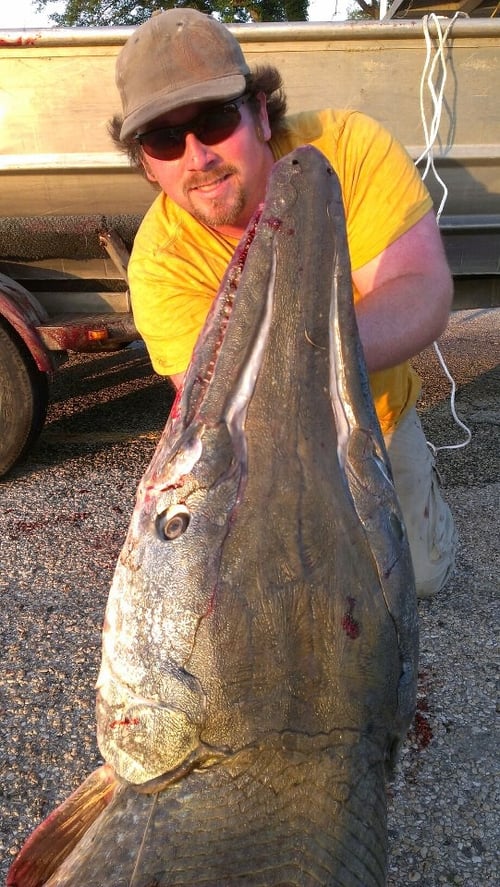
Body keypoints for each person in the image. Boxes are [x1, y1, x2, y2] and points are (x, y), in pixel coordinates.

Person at [109, 8, 456, 599]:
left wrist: (290, 358)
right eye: (165, 139)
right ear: (145, 162)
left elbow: (421, 290)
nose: (197, 156)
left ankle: (429, 508)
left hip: (371, 422)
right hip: (261, 453)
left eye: (216, 120)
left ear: (261, 113)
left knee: (415, 581)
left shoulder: (346, 149)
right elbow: (215, 416)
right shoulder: (160, 262)